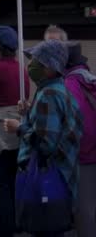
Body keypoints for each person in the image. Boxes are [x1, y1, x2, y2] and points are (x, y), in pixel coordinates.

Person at [4, 40, 82, 237]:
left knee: (44, 228)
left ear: (49, 68)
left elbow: (46, 143)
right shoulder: (59, 89)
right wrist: (30, 112)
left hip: (46, 174)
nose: (30, 65)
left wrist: (19, 128)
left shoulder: (48, 94)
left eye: (36, 61)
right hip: (62, 172)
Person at [0, 26, 30, 237]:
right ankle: (16, 223)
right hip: (17, 131)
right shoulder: (22, 69)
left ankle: (6, 231)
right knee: (13, 182)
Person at [62, 42, 96, 237]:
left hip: (84, 157)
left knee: (84, 212)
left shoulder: (70, 84)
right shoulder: (89, 79)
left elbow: (79, 127)